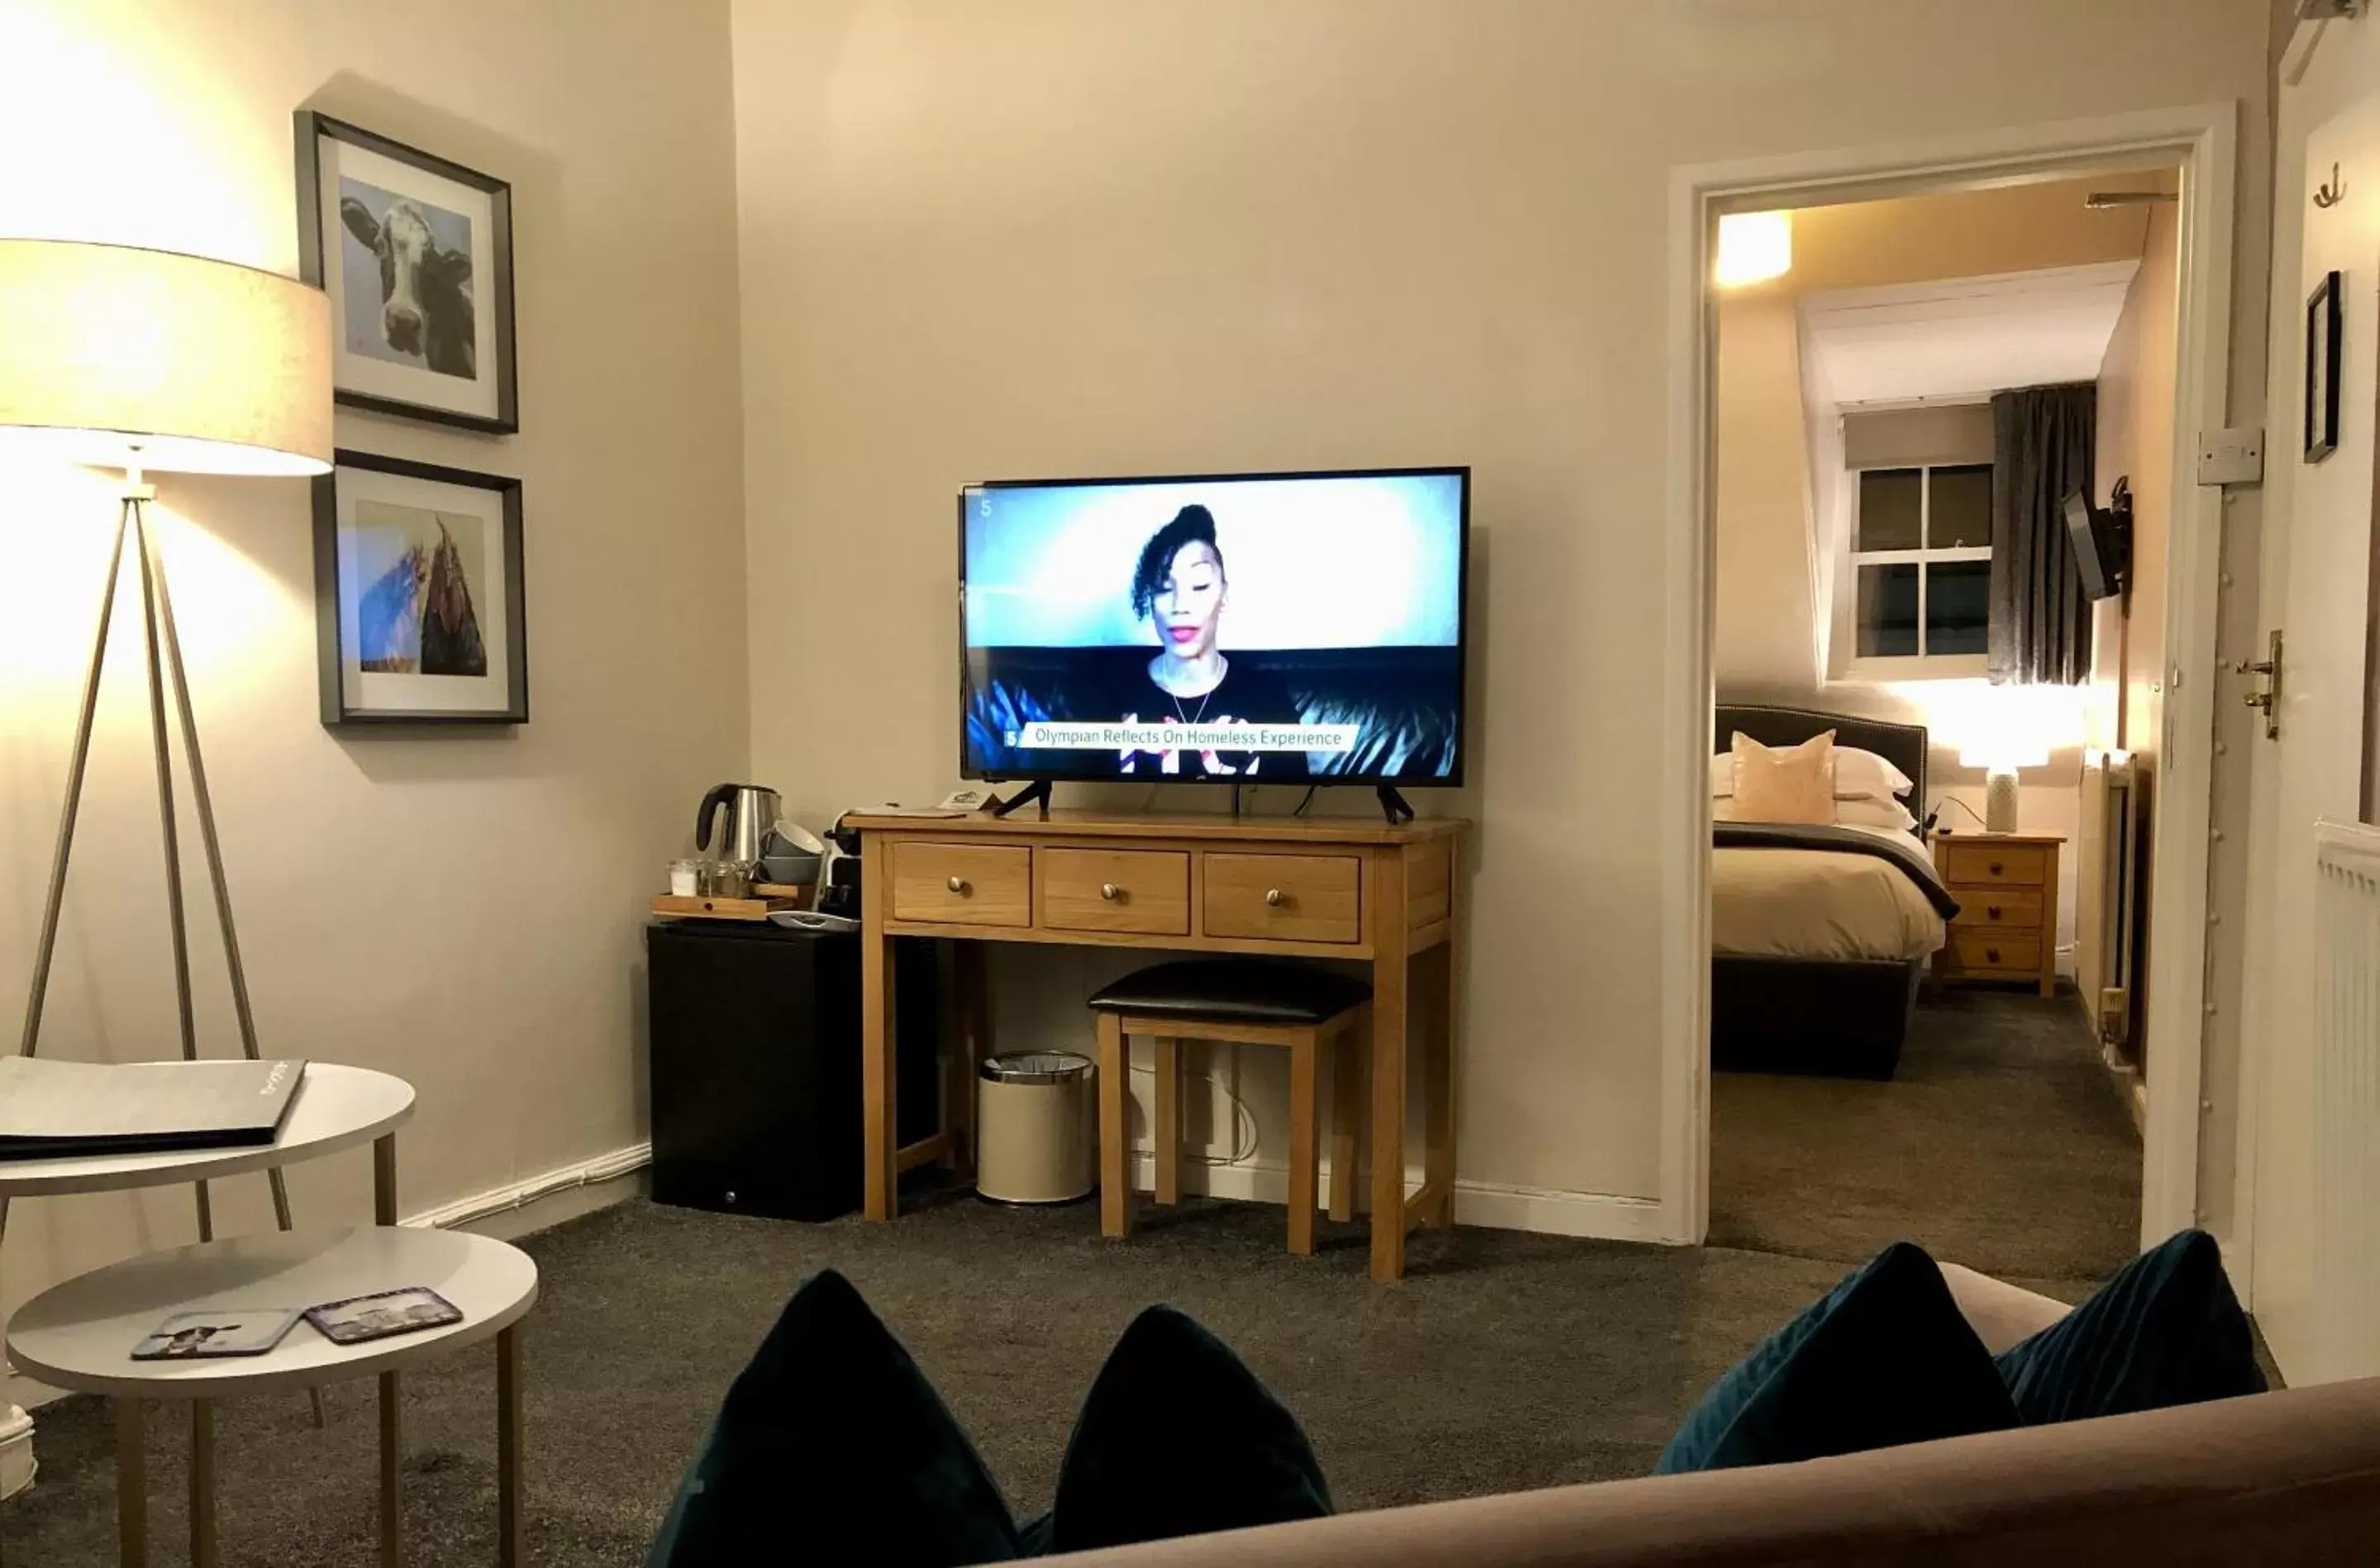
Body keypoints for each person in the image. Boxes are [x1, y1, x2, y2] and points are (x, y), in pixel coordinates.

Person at [1118, 504, 1309, 778]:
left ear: (1224, 596)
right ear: (1150, 599)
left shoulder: (1267, 697)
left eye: (1199, 585)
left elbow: (1293, 796)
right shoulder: (1114, 689)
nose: (1180, 605)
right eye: (1164, 588)